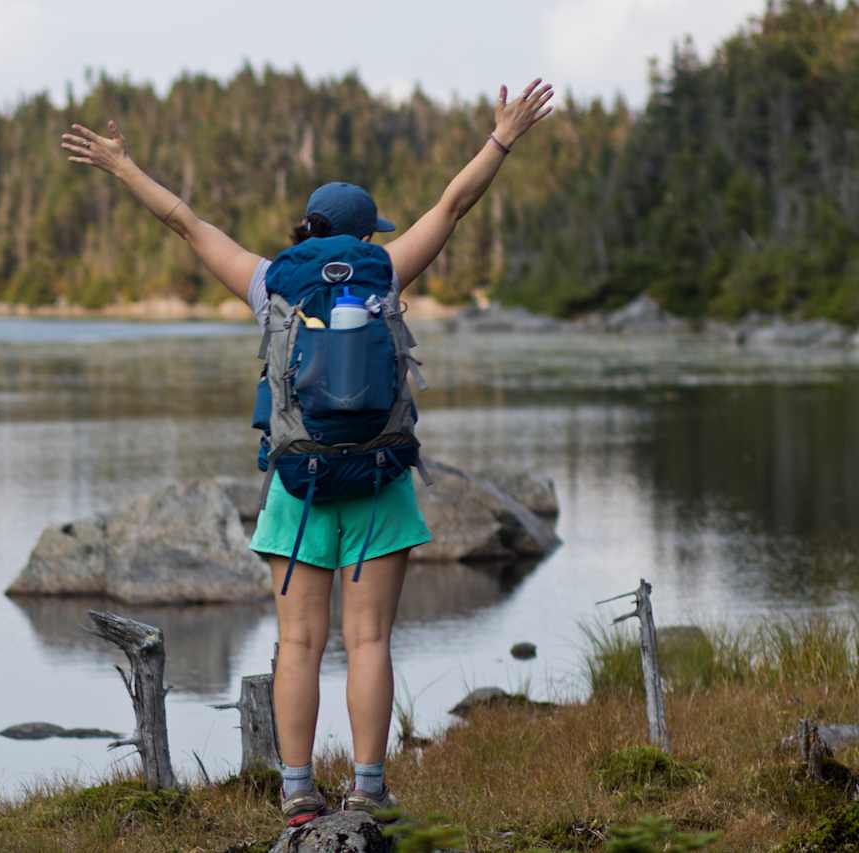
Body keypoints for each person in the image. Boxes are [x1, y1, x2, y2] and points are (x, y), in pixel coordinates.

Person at [61, 77, 554, 825]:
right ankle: (368, 784)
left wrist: (122, 165)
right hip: (382, 479)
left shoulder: (271, 283)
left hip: (298, 486)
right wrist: (502, 139)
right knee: (370, 640)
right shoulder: (385, 271)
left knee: (297, 641)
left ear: (308, 227)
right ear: (365, 234)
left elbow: (186, 224)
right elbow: (455, 203)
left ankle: (296, 790)